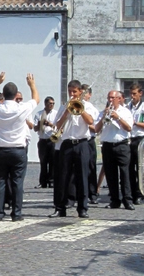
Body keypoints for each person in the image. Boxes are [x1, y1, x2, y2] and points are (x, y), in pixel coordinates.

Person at [0, 72, 39, 221]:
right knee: (17, 183)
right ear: (16, 95)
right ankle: (16, 213)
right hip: (17, 150)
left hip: (0, 150)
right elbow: (36, 99)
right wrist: (32, 85)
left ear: (3, 95)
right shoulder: (21, 108)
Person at [49, 81, 98, 219]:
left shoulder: (88, 106)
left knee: (82, 176)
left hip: (82, 143)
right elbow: (57, 125)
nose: (72, 94)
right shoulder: (64, 106)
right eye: (70, 91)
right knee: (63, 177)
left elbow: (90, 122)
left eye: (74, 91)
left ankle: (82, 208)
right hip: (67, 143)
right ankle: (60, 208)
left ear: (80, 92)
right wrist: (66, 111)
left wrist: (80, 110)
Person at [95, 90, 134, 210]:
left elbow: (129, 128)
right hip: (107, 146)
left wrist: (118, 118)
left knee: (125, 173)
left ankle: (127, 200)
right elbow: (96, 129)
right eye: (109, 98)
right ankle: (114, 200)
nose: (110, 100)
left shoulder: (125, 112)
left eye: (113, 98)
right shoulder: (103, 112)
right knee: (110, 175)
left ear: (119, 99)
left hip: (122, 145)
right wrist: (103, 117)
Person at [127, 83, 144, 205]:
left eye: (134, 94)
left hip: (140, 139)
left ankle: (139, 193)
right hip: (129, 138)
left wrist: (134, 123)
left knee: (141, 168)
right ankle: (132, 193)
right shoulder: (127, 107)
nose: (132, 96)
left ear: (140, 94)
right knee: (129, 168)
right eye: (131, 94)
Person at [33, 96, 57, 189]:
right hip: (42, 140)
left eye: (53, 103)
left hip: (52, 139)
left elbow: (58, 127)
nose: (52, 105)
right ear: (45, 104)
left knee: (52, 161)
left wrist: (50, 124)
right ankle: (42, 182)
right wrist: (40, 124)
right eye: (50, 103)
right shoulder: (39, 114)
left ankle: (51, 181)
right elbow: (35, 128)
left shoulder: (55, 114)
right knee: (43, 162)